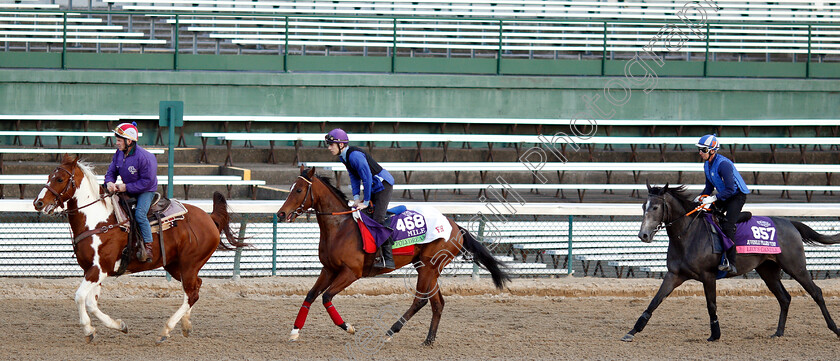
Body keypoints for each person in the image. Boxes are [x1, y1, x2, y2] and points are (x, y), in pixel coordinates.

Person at [325, 128, 396, 269]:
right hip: (374, 185)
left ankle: (388, 259)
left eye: (331, 145)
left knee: (377, 219)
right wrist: (357, 198)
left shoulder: (354, 156)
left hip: (383, 185)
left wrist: (365, 202)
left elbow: (367, 178)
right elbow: (354, 177)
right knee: (363, 216)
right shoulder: (344, 157)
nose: (329, 148)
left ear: (341, 145)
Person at [693, 134, 750, 273]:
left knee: (728, 226)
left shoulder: (723, 164)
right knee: (705, 214)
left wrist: (712, 199)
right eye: (699, 149)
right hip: (724, 195)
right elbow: (708, 188)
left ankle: (732, 263)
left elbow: (731, 189)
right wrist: (700, 197)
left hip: (737, 196)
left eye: (703, 150)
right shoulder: (706, 164)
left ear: (712, 151)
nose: (700, 152)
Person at [105, 122, 159, 262]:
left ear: (129, 141)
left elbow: (146, 182)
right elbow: (111, 172)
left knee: (140, 214)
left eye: (119, 140)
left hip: (146, 190)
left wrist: (125, 187)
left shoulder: (146, 158)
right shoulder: (118, 154)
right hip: (128, 187)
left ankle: (148, 247)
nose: (116, 143)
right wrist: (109, 182)